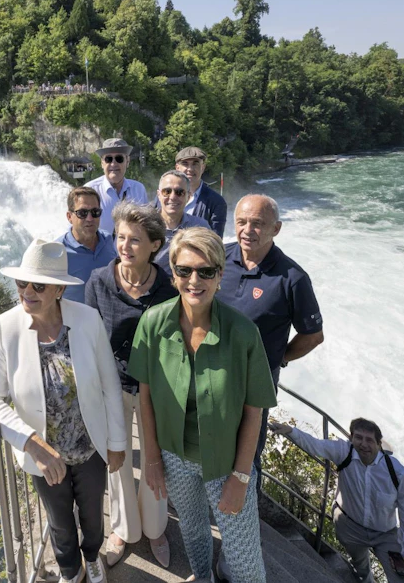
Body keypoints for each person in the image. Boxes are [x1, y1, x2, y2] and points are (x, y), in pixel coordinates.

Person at [128, 227, 277, 583]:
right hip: (174, 457)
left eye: (206, 271)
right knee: (193, 534)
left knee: (245, 561)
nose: (194, 280)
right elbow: (144, 396)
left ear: (220, 276)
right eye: (184, 270)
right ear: (174, 274)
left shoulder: (242, 333)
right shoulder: (153, 323)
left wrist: (241, 478)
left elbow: (254, 411)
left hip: (226, 463)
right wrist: (151, 458)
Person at [0, 239, 127, 583]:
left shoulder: (87, 320)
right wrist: (31, 443)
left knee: (92, 517)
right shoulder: (5, 326)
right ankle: (71, 572)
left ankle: (93, 557)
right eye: (21, 283)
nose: (27, 292)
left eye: (38, 285)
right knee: (59, 522)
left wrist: (117, 443)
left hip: (90, 447)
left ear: (59, 289)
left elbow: (109, 385)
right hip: (43, 452)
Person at [84, 202, 179, 569]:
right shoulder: (99, 282)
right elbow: (91, 338)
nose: (125, 245)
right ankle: (123, 529)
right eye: (121, 237)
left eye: (135, 240)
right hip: (114, 386)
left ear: (155, 245)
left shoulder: (169, 287)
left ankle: (156, 528)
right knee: (118, 460)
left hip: (158, 389)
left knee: (157, 459)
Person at [216, 194, 324, 472]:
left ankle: (243, 511)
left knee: (245, 462)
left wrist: (278, 359)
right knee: (206, 447)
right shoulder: (218, 259)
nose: (247, 230)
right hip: (209, 375)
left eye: (257, 223)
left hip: (252, 390)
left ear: (275, 229)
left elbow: (313, 335)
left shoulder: (293, 278)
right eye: (241, 222)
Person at [269, 418, 404, 582]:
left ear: (379, 444)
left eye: (369, 440)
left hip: (385, 533)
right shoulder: (344, 452)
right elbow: (315, 445)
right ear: (351, 438)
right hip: (350, 527)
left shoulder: (399, 474)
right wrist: (291, 431)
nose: (363, 444)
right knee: (362, 570)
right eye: (358, 438)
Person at [56, 186, 117, 304]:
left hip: (108, 319)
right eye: (82, 213)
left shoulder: (108, 239)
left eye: (95, 212)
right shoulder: (58, 251)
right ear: (69, 217)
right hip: (75, 321)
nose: (89, 218)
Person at [152, 170, 209, 274]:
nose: (173, 197)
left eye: (179, 192)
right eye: (167, 191)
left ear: (188, 196)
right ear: (159, 195)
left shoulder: (200, 228)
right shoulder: (145, 225)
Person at [86, 138, 148, 232]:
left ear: (127, 161)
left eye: (119, 159)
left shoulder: (139, 189)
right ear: (102, 163)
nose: (113, 163)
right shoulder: (90, 191)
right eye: (108, 159)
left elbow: (146, 225)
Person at [174, 147, 228, 237]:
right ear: (177, 168)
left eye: (195, 164)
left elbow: (216, 241)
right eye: (185, 164)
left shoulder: (216, 202)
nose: (190, 169)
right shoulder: (165, 197)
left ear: (203, 167)